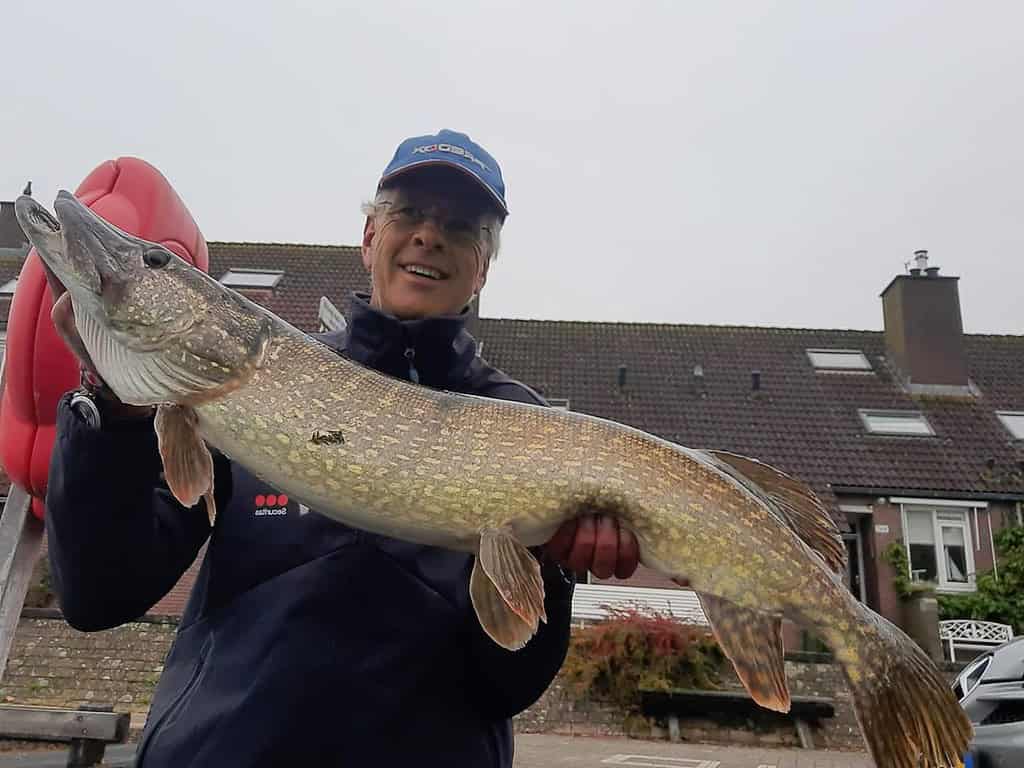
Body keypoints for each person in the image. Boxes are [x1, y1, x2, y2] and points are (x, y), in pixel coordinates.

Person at [42, 129, 640, 767]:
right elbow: (98, 595)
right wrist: (112, 413)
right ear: (368, 238)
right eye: (408, 213)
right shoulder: (239, 385)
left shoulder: (524, 423)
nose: (429, 235)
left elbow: (504, 685)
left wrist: (552, 565)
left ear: (483, 267)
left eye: (461, 225)